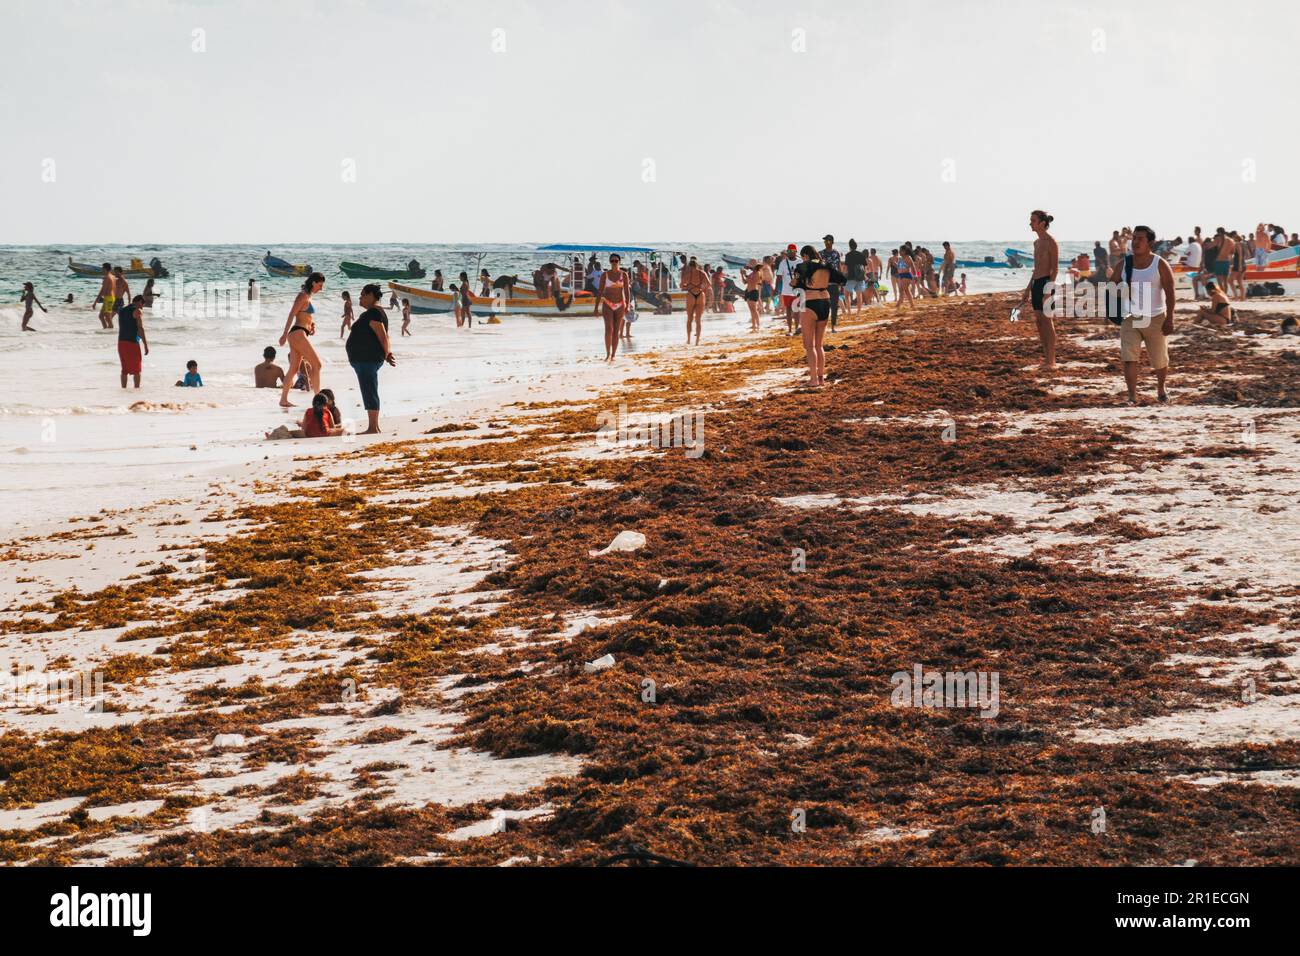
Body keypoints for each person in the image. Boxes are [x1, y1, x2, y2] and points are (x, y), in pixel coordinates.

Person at [1110, 225, 1176, 405]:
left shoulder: (1159, 264)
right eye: (1134, 238)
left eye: (1140, 239)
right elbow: (1111, 287)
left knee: (1159, 359)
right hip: (1130, 318)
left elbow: (1170, 292)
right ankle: (1132, 396)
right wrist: (1122, 290)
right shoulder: (1124, 264)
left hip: (1155, 318)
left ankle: (1161, 389)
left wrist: (1170, 318)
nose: (1136, 242)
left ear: (1150, 243)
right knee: (1129, 357)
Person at [345, 284, 396, 435]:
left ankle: (373, 427)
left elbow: (382, 336)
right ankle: (374, 426)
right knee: (368, 388)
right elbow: (386, 336)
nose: (360, 298)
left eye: (362, 295)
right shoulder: (374, 312)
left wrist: (387, 354)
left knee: (369, 389)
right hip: (365, 359)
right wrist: (387, 353)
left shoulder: (374, 312)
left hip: (367, 359)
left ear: (371, 296)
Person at [792, 245, 845, 387]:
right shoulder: (826, 265)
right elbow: (842, 279)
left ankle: (813, 380)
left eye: (803, 256)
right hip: (825, 301)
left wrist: (797, 280)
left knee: (809, 346)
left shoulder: (802, 266)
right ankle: (821, 379)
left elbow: (794, 283)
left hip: (810, 302)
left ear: (805, 256)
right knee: (819, 345)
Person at [1018, 210, 1059, 370]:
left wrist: (1048, 291)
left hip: (1046, 284)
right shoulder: (1036, 243)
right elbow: (1036, 269)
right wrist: (1027, 290)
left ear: (1042, 223)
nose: (1030, 223)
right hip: (1036, 283)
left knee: (1047, 321)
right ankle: (1046, 360)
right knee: (1039, 322)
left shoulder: (1051, 242)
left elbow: (1054, 269)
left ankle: (1052, 361)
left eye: (1033, 220)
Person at [278, 272, 325, 407]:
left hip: (299, 333)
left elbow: (303, 316)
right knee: (317, 365)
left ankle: (283, 400)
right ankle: (318, 400)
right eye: (320, 285)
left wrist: (312, 325)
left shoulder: (307, 297)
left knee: (293, 368)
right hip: (297, 333)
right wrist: (284, 334)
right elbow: (292, 314)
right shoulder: (303, 296)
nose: (321, 288)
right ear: (313, 283)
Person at [594, 253, 630, 360]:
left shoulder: (624, 275)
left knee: (616, 330)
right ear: (610, 262)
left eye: (616, 261)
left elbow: (627, 291)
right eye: (612, 261)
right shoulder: (605, 275)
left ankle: (613, 354)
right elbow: (600, 291)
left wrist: (627, 305)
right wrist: (596, 307)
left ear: (619, 262)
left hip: (620, 304)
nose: (614, 263)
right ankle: (607, 353)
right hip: (607, 304)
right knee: (609, 328)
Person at [117, 295, 148, 388]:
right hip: (132, 343)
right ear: (139, 302)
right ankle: (137, 390)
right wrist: (145, 345)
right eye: (142, 305)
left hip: (121, 342)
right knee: (137, 370)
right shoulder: (137, 311)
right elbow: (140, 329)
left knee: (124, 370)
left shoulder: (121, 310)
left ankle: (123, 389)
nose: (142, 307)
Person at [680, 256, 713, 342]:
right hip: (700, 294)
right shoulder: (702, 273)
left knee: (689, 319)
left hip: (691, 294)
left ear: (690, 267)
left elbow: (681, 286)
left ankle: (688, 339)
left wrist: (687, 286)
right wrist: (702, 286)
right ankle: (697, 341)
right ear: (697, 266)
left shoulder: (687, 274)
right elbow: (709, 284)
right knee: (698, 320)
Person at [774, 245, 799, 335]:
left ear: (796, 251)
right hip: (786, 290)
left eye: (793, 251)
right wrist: (776, 289)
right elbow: (779, 277)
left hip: (798, 291)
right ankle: (789, 329)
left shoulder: (800, 262)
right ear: (787, 252)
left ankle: (797, 328)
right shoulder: (783, 263)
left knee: (797, 310)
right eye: (789, 251)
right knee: (788, 310)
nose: (791, 252)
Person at [820, 235, 842, 331]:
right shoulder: (820, 254)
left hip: (834, 284)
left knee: (834, 306)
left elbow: (839, 267)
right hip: (823, 284)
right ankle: (823, 326)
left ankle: (833, 326)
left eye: (828, 240)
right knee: (823, 307)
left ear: (832, 242)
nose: (826, 242)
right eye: (825, 241)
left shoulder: (836, 253)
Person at [739, 260, 763, 335]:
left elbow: (754, 282)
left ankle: (758, 325)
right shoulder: (752, 273)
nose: (750, 267)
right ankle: (753, 325)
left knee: (754, 310)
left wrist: (745, 275)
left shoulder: (758, 273)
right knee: (751, 310)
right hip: (748, 292)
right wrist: (742, 275)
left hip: (753, 292)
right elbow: (745, 282)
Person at [844, 239, 867, 315]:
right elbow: (865, 266)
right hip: (860, 277)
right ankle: (858, 312)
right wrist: (864, 275)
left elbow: (846, 268)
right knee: (859, 294)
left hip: (851, 277)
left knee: (846, 294)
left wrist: (844, 274)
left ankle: (849, 311)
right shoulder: (861, 254)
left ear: (849, 246)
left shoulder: (848, 255)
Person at [94, 263, 115, 329]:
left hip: (108, 298)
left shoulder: (107, 277)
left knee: (107, 317)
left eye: (102, 268)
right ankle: (106, 330)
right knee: (101, 316)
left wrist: (96, 301)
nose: (102, 270)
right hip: (110, 298)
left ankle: (111, 332)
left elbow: (103, 290)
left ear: (105, 269)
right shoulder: (113, 276)